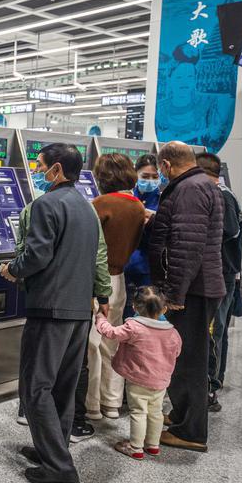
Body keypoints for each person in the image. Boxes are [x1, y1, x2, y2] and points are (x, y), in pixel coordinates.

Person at [0, 143, 111, 483]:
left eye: (40, 165)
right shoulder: (87, 208)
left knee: (35, 386)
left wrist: (12, 268)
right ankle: (52, 449)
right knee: (63, 386)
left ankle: (60, 467)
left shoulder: (47, 205)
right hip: (79, 309)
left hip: (50, 307)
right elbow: (95, 258)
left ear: (57, 169)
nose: (37, 170)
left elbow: (36, 256)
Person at [148, 142, 224, 452]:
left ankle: (190, 432)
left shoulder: (189, 190)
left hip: (193, 289)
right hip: (200, 285)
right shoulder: (200, 184)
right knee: (185, 358)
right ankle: (181, 416)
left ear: (166, 165)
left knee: (189, 362)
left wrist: (175, 293)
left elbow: (186, 247)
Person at [84, 153, 146, 421]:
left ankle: (92, 405)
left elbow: (87, 247)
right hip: (119, 279)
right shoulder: (137, 206)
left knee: (92, 343)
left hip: (97, 281)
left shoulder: (100, 204)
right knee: (112, 341)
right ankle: (111, 403)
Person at [94, 287, 182, 460]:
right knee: (156, 412)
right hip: (161, 381)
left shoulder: (133, 327)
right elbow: (176, 352)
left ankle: (135, 447)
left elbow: (110, 332)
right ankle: (153, 445)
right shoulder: (172, 332)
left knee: (138, 412)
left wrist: (100, 318)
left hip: (138, 380)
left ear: (134, 307)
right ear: (164, 309)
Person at [196, 152, 242, 413]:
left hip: (221, 273)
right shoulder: (223, 192)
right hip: (222, 271)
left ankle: (210, 386)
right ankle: (214, 380)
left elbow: (228, 230)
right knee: (217, 331)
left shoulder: (221, 195)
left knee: (214, 331)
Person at [123, 153, 161, 297]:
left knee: (146, 313)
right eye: (145, 176)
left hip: (149, 268)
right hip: (124, 266)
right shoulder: (127, 197)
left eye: (154, 176)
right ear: (135, 174)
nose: (150, 180)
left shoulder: (165, 200)